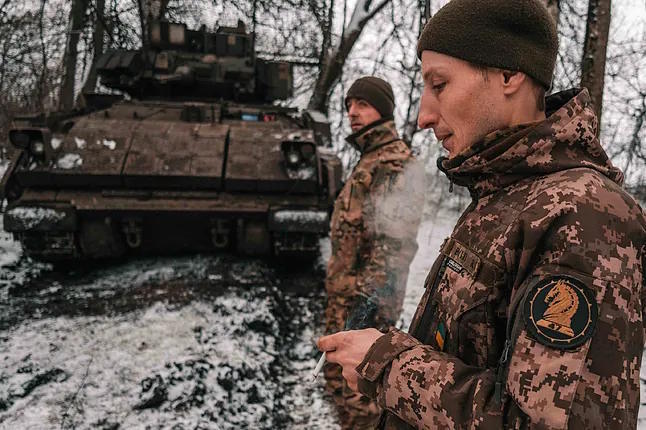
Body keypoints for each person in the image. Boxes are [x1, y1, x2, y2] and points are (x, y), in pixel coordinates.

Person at [317, 0, 646, 428]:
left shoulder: (584, 214)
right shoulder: (504, 196)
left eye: (439, 84)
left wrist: (387, 365)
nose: (422, 116)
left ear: (509, 75)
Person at [323, 76, 423, 429]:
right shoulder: (370, 158)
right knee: (339, 386)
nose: (352, 112)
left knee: (362, 397)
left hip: (365, 305)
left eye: (362, 104)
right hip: (346, 297)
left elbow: (393, 245)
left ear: (383, 108)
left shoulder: (393, 162)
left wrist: (366, 310)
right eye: (349, 104)